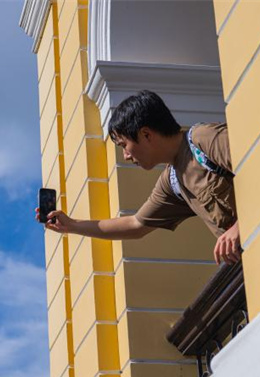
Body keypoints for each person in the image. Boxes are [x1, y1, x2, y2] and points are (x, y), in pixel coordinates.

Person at [39, 90, 240, 266]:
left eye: (124, 145)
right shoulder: (172, 181)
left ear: (146, 134)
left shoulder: (204, 139)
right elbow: (135, 225)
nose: (126, 155)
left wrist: (239, 227)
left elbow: (257, 159)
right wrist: (71, 225)